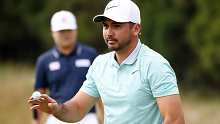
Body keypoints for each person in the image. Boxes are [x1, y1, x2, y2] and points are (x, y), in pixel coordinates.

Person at [29, 0, 185, 124]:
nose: (109, 33)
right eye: (105, 26)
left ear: (136, 28)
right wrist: (57, 108)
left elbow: (175, 120)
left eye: (116, 26)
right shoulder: (99, 64)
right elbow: (77, 108)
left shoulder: (155, 65)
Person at [32, 10, 102, 124]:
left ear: (76, 30)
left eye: (69, 30)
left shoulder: (91, 55)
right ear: (52, 32)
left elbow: (101, 91)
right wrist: (36, 121)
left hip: (87, 117)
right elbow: (38, 93)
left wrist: (105, 119)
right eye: (61, 31)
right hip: (56, 116)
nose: (65, 34)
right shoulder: (44, 60)